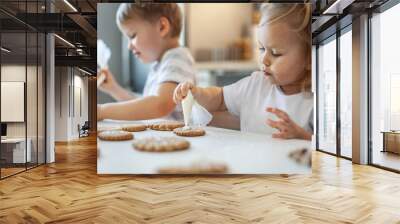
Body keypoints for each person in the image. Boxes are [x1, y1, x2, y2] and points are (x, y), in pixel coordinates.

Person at [173, 3, 313, 140]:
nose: (264, 60)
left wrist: (302, 136)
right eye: (261, 49)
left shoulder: (314, 102)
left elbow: (327, 148)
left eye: (276, 53)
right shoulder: (255, 85)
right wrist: (197, 93)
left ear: (309, 58)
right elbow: (219, 98)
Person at [98, 3, 196, 121]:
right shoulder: (159, 65)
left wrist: (102, 111)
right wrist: (114, 89)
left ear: (162, 27)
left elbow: (159, 105)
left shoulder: (178, 58)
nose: (129, 46)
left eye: (132, 36)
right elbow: (144, 106)